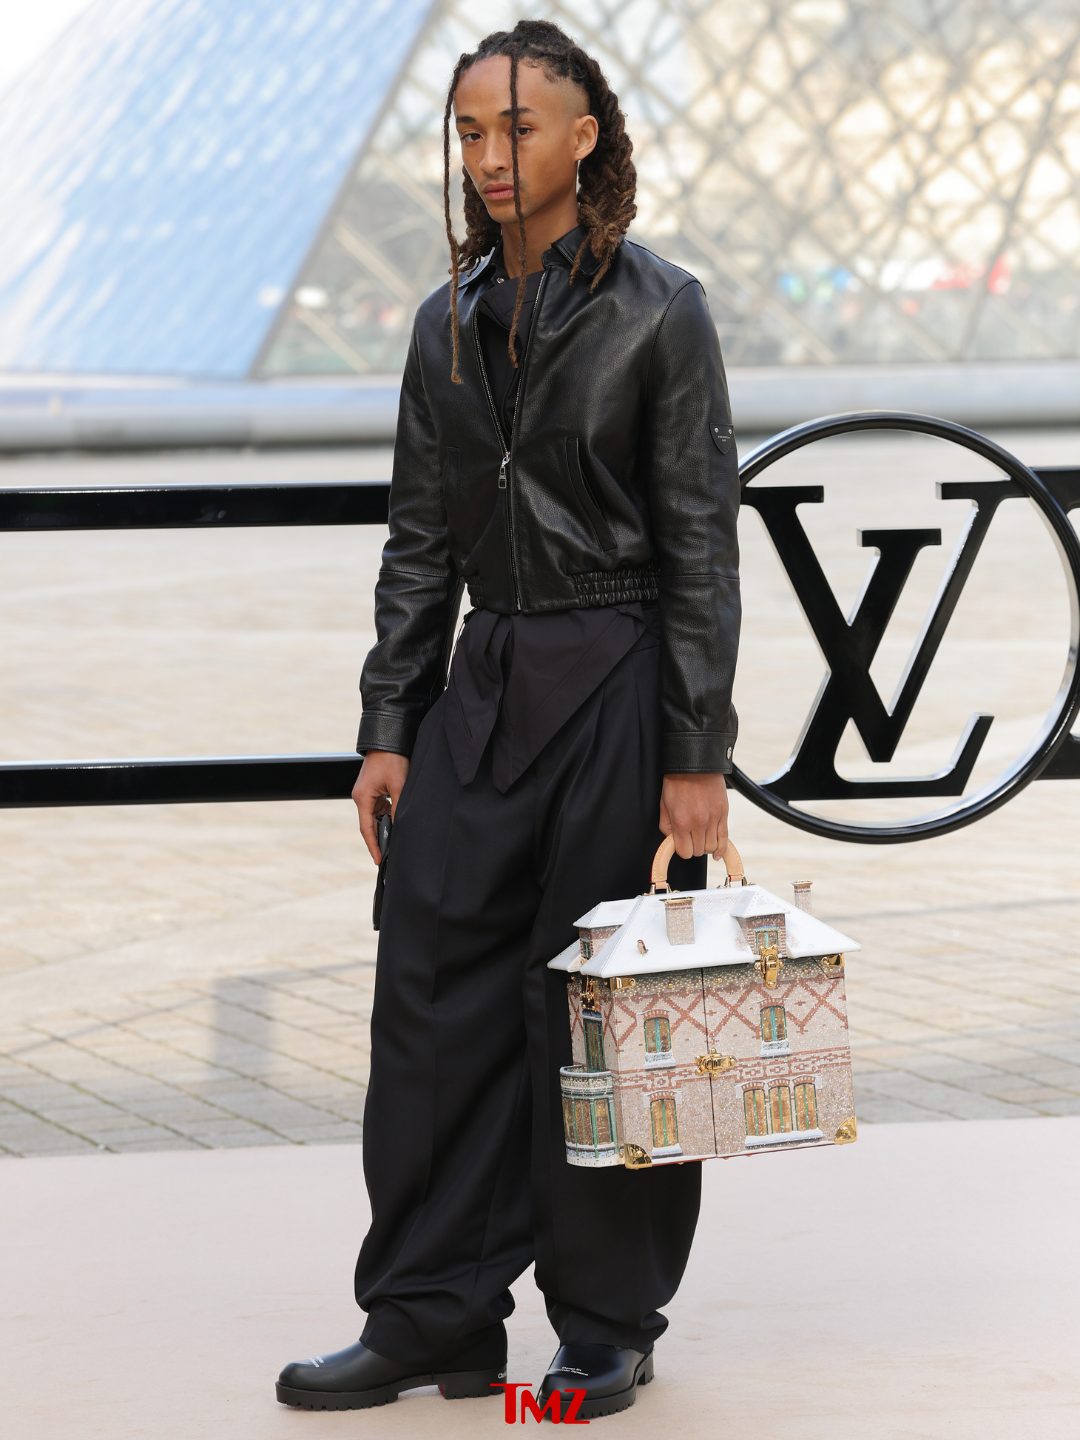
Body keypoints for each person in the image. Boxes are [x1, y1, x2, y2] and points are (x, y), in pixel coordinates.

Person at [275, 17, 741, 1421]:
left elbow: (702, 545)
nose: (487, 155)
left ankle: (606, 1325)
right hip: (483, 689)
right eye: (469, 131)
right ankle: (431, 1314)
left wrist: (696, 757)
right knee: (428, 995)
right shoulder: (445, 322)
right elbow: (419, 541)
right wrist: (390, 723)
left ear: (583, 137)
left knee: (600, 1012)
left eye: (516, 127)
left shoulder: (664, 310)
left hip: (618, 676)